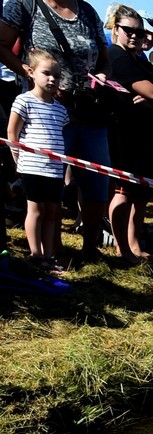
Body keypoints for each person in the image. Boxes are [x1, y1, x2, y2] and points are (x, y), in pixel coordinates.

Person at [0, 0, 111, 262]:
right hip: (44, 112)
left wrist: (103, 76)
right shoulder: (25, 4)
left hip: (89, 110)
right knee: (49, 188)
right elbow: (2, 45)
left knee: (97, 179)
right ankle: (50, 251)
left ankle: (90, 248)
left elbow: (104, 58)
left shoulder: (87, 11)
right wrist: (27, 72)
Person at [106, 4, 153, 264]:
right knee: (124, 193)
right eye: (129, 30)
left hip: (151, 135)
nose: (136, 35)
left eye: (140, 31)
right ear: (116, 29)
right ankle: (122, 248)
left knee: (141, 195)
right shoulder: (116, 56)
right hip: (129, 134)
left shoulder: (140, 60)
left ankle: (134, 246)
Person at [6, 48, 69, 270]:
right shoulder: (23, 101)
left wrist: (66, 170)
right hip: (32, 167)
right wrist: (18, 160)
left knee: (52, 211)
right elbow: (12, 133)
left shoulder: (61, 110)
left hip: (54, 170)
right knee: (36, 210)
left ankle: (48, 255)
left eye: (57, 76)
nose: (52, 79)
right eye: (46, 73)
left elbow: (60, 139)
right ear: (31, 73)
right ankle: (35, 254)